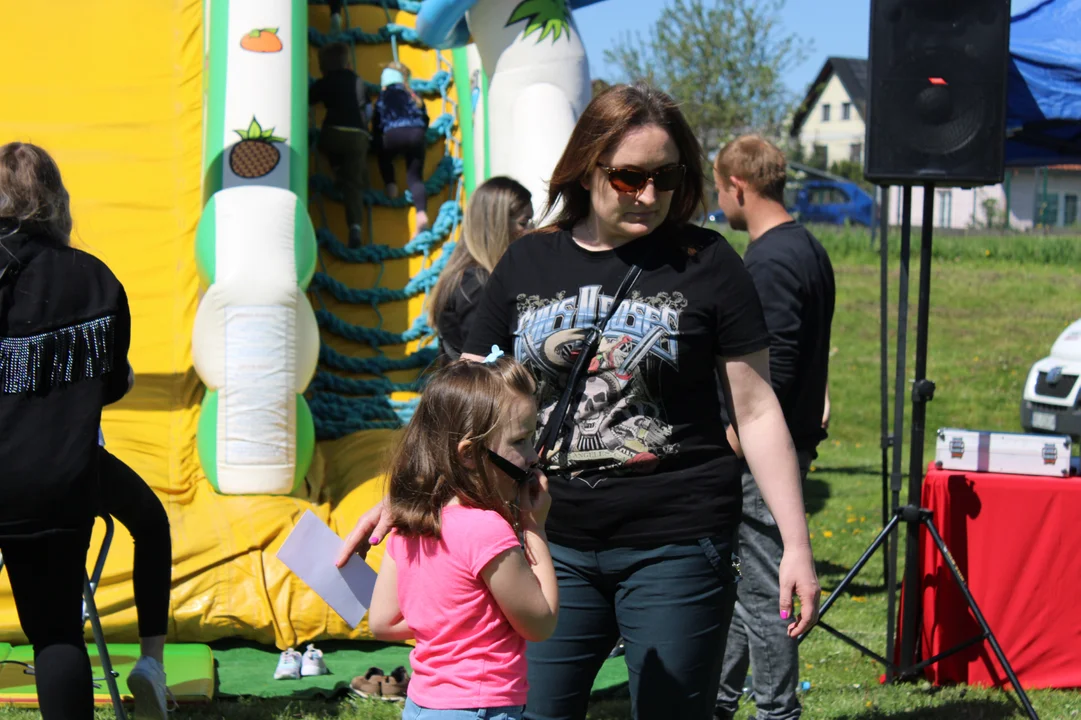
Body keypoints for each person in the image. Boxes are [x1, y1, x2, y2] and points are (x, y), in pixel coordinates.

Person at [339, 84, 821, 720]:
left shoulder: (707, 263)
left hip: (676, 540)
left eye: (665, 176)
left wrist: (796, 544)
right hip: (544, 538)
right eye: (628, 178)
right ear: (586, 167)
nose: (649, 195)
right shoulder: (528, 261)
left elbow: (756, 411)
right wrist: (406, 498)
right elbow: (462, 400)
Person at [0, 142, 132, 720]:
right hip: (56, 481)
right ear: (55, 199)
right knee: (55, 634)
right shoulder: (97, 279)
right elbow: (110, 386)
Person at [711, 135, 835, 720]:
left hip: (767, 455)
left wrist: (740, 434)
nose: (720, 202)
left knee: (765, 592)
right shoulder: (807, 247)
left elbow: (776, 364)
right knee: (751, 585)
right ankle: (717, 700)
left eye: (718, 190)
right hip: (793, 438)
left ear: (738, 185)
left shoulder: (768, 259)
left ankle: (778, 712)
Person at [366, 354, 559, 719]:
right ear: (469, 454)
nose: (533, 455)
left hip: (422, 705)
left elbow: (383, 621)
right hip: (478, 707)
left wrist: (463, 621)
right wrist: (534, 526)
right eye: (520, 440)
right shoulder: (487, 528)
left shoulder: (410, 520)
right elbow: (541, 622)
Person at [97, 435, 174, 719]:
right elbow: (115, 388)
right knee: (152, 526)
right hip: (72, 458)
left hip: (10, 466)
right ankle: (151, 660)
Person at [427, 176, 533, 363]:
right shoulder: (477, 285)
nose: (533, 231)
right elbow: (483, 364)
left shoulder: (469, 278)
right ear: (497, 226)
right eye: (524, 223)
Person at [310, 42, 372, 247]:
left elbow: (309, 98)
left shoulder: (326, 81)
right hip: (359, 135)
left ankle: (337, 170)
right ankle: (355, 227)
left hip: (334, 132)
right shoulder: (357, 80)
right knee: (354, 183)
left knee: (322, 143)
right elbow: (368, 109)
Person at [372, 63, 431, 232]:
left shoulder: (382, 98)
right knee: (415, 177)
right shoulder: (413, 95)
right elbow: (425, 119)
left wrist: (377, 142)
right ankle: (421, 213)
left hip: (392, 135)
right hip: (416, 134)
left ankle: (391, 185)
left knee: (384, 156)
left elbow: (377, 124)